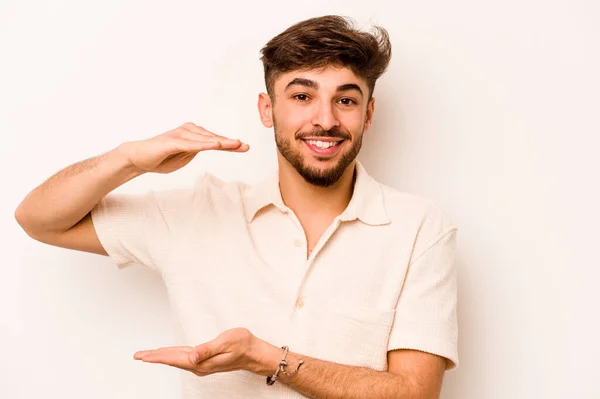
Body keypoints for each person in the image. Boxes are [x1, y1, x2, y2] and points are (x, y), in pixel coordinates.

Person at [15, 15, 458, 399]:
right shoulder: (197, 213)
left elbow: (414, 392)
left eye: (345, 99)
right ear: (267, 110)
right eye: (302, 96)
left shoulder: (417, 227)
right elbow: (38, 219)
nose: (325, 119)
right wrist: (129, 159)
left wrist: (266, 359)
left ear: (368, 113)